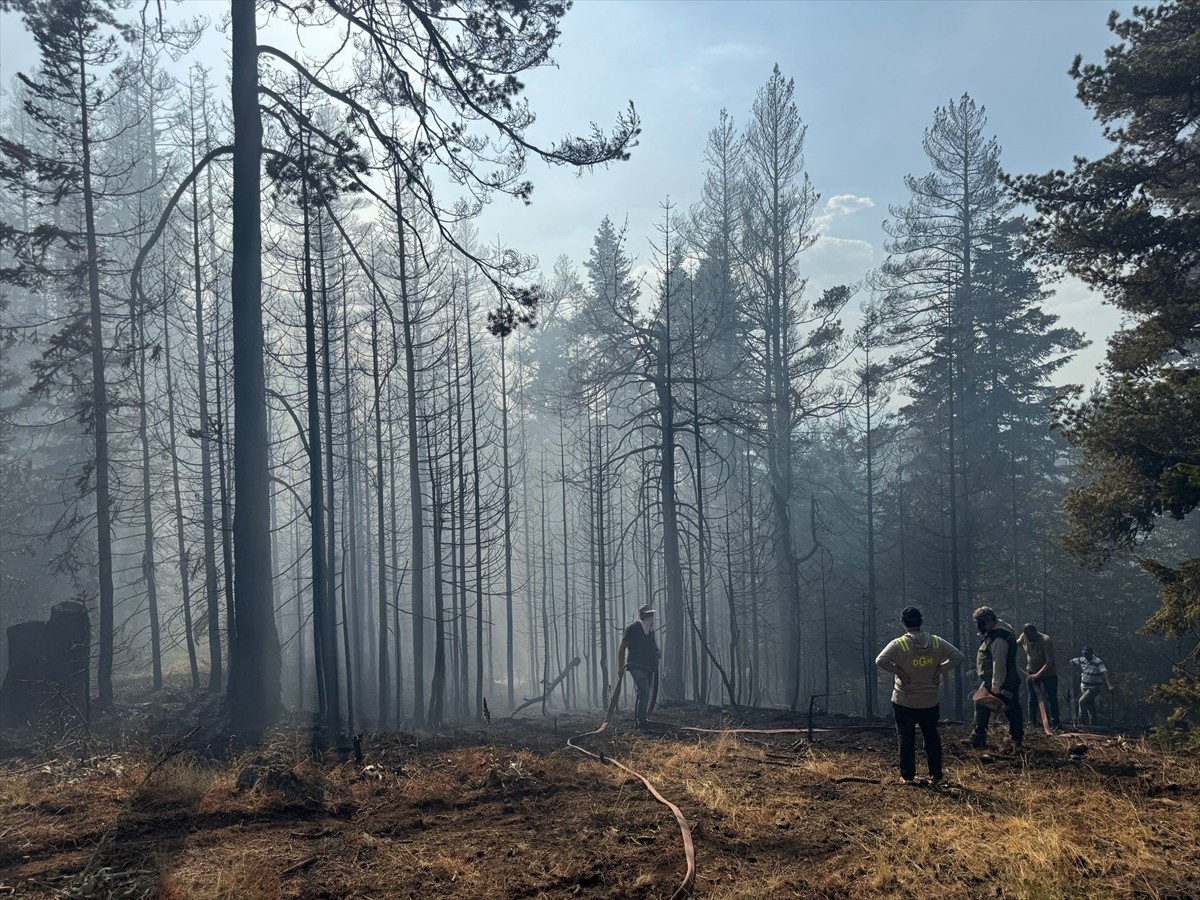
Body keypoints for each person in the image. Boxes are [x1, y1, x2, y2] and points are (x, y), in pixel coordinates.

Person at [875, 606, 965, 786]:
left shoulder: (898, 644)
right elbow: (958, 656)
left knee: (906, 738)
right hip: (930, 701)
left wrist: (898, 671)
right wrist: (941, 669)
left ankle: (907, 776)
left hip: (904, 701)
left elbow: (880, 661)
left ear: (903, 623)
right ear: (921, 622)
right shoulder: (937, 642)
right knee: (931, 737)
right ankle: (936, 775)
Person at [970, 606, 1024, 749]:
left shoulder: (999, 638)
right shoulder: (995, 633)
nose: (979, 626)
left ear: (989, 621)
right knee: (981, 703)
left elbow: (998, 662)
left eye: (980, 623)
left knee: (1011, 708)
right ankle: (977, 737)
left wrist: (996, 684)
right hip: (992, 680)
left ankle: (1016, 739)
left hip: (1004, 681)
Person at [617, 605, 660, 730]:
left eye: (651, 614)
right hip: (636, 665)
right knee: (644, 691)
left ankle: (640, 720)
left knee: (643, 694)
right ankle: (641, 723)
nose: (650, 617)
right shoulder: (633, 628)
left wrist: (657, 651)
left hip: (649, 666)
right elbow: (622, 647)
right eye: (647, 614)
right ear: (641, 615)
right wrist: (620, 667)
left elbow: (653, 646)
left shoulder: (650, 630)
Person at [1017, 624, 1060, 729]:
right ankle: (1032, 722)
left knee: (1051, 698)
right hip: (1031, 671)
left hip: (1048, 674)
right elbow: (1016, 644)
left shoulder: (1046, 641)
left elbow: (1049, 662)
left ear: (1035, 632)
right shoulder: (1024, 636)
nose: (1028, 638)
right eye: (1027, 636)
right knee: (1032, 698)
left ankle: (1056, 724)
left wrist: (1037, 675)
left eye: (1031, 635)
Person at [1070, 646, 1115, 726]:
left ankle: (1081, 722)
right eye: (1084, 654)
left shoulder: (1098, 661)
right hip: (1084, 686)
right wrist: (1078, 671)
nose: (1086, 656)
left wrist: (1109, 685)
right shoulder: (1082, 659)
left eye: (1087, 654)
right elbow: (1072, 661)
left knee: (1082, 701)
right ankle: (1092, 724)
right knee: (1089, 705)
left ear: (1091, 653)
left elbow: (1105, 672)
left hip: (1094, 687)